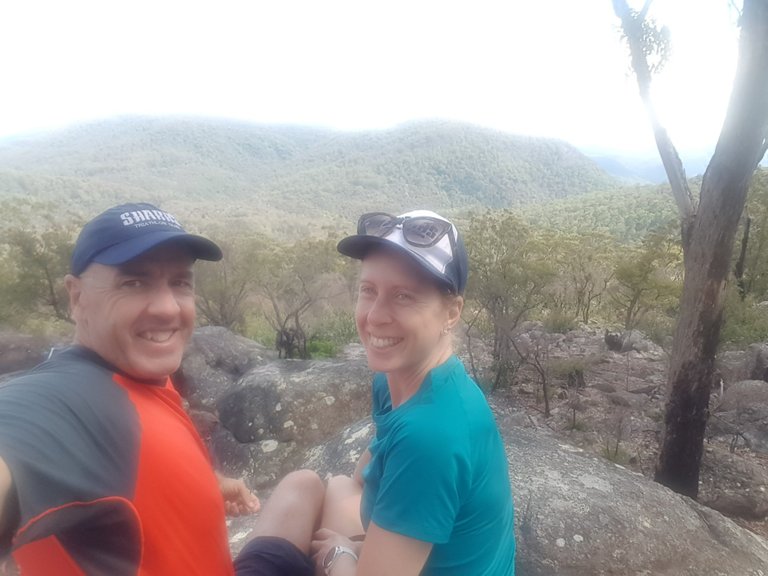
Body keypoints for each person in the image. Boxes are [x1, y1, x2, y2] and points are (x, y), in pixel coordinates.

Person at [0, 203, 323, 576]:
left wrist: (204, 484)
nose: (168, 308)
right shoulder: (72, 399)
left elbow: (131, 463)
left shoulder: (136, 373)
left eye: (180, 282)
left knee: (306, 485)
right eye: (133, 282)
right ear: (76, 297)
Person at [310, 210, 516, 576]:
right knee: (331, 486)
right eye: (368, 291)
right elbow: (363, 478)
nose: (375, 316)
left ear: (451, 312)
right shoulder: (399, 381)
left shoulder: (431, 434)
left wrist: (338, 555)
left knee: (322, 499)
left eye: (403, 296)